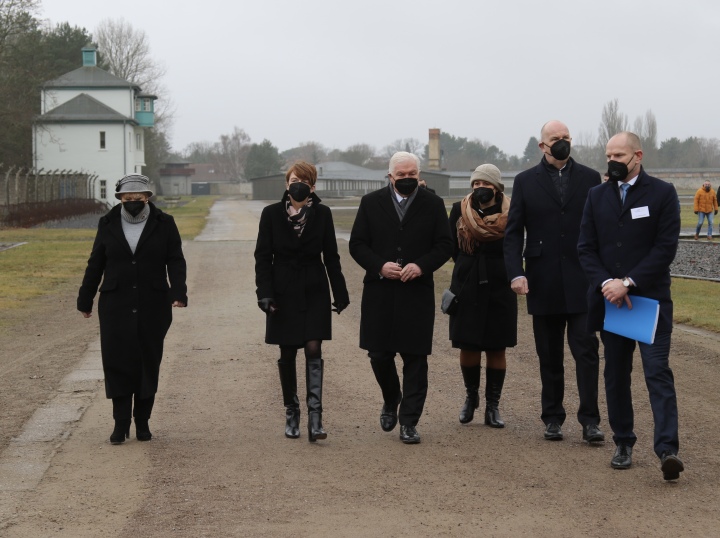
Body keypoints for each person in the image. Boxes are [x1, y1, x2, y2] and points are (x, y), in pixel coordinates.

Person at [578, 131, 684, 481]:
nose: (612, 162)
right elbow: (586, 248)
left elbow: (664, 248)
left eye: (619, 156)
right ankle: (623, 442)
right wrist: (607, 283)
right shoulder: (596, 196)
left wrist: (629, 282)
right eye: (609, 155)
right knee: (615, 375)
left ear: (637, 155)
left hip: (648, 302)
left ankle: (667, 450)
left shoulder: (663, 194)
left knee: (657, 374)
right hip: (613, 304)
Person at [504, 120, 604, 443]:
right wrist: (516, 272)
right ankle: (552, 417)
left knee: (587, 351)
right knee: (549, 354)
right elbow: (513, 232)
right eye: (555, 138)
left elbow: (602, 228)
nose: (561, 142)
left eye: (565, 138)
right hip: (541, 278)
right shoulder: (524, 182)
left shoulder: (590, 178)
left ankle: (590, 420)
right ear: (542, 145)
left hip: (582, 280)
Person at [349, 151, 453, 444]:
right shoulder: (371, 204)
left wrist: (421, 265)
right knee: (379, 354)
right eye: (401, 175)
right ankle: (391, 396)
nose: (407, 180)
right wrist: (379, 265)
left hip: (416, 292)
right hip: (380, 290)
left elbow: (444, 244)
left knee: (415, 358)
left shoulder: (432, 204)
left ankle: (409, 421)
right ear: (390, 176)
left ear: (419, 175)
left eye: (412, 175)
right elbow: (357, 244)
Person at [77, 174, 187, 444]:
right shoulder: (108, 223)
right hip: (116, 303)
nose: (133, 203)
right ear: (120, 199)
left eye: (138, 199)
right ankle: (120, 422)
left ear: (147, 197)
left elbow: (175, 260)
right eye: (127, 199)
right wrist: (85, 298)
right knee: (117, 362)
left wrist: (178, 292)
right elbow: (96, 263)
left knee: (148, 360)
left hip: (154, 303)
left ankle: (142, 422)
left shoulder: (165, 223)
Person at [254, 161, 349, 442]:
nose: (298, 184)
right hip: (282, 289)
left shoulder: (323, 214)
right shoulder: (270, 214)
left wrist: (340, 293)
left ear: (313, 186)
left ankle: (316, 417)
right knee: (287, 351)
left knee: (313, 346)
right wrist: (264, 293)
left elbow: (331, 256)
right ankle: (292, 411)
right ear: (286, 184)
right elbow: (262, 257)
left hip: (314, 287)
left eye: (304, 181)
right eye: (294, 179)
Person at [448, 164, 517, 427]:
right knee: (468, 344)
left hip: (501, 282)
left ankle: (493, 406)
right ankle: (471, 397)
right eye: (476, 184)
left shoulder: (511, 211)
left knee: (497, 346)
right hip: (467, 282)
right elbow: (452, 247)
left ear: (497, 187)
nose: (480, 188)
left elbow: (515, 245)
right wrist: (468, 268)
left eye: (485, 184)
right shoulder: (459, 209)